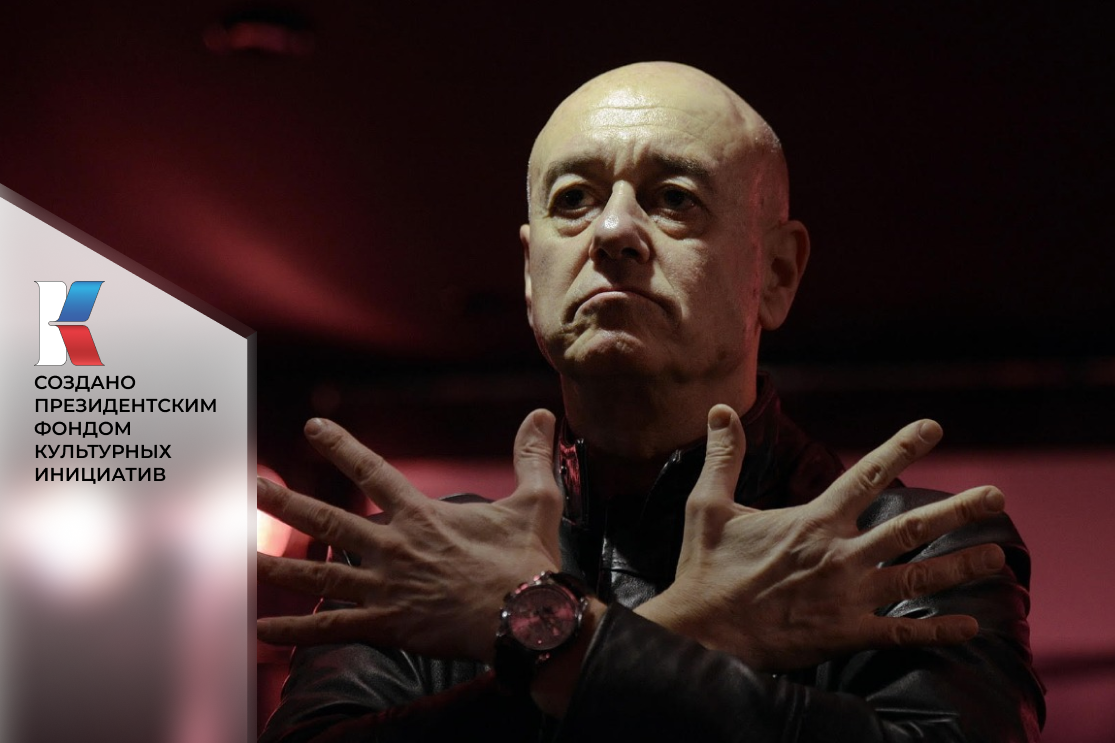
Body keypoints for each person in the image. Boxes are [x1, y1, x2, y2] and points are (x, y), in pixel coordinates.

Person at [256, 62, 1044, 742]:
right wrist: (685, 640)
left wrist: (549, 635)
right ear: (531, 275)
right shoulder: (414, 556)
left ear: (775, 273)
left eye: (673, 198)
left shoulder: (901, 547)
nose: (611, 231)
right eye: (573, 198)